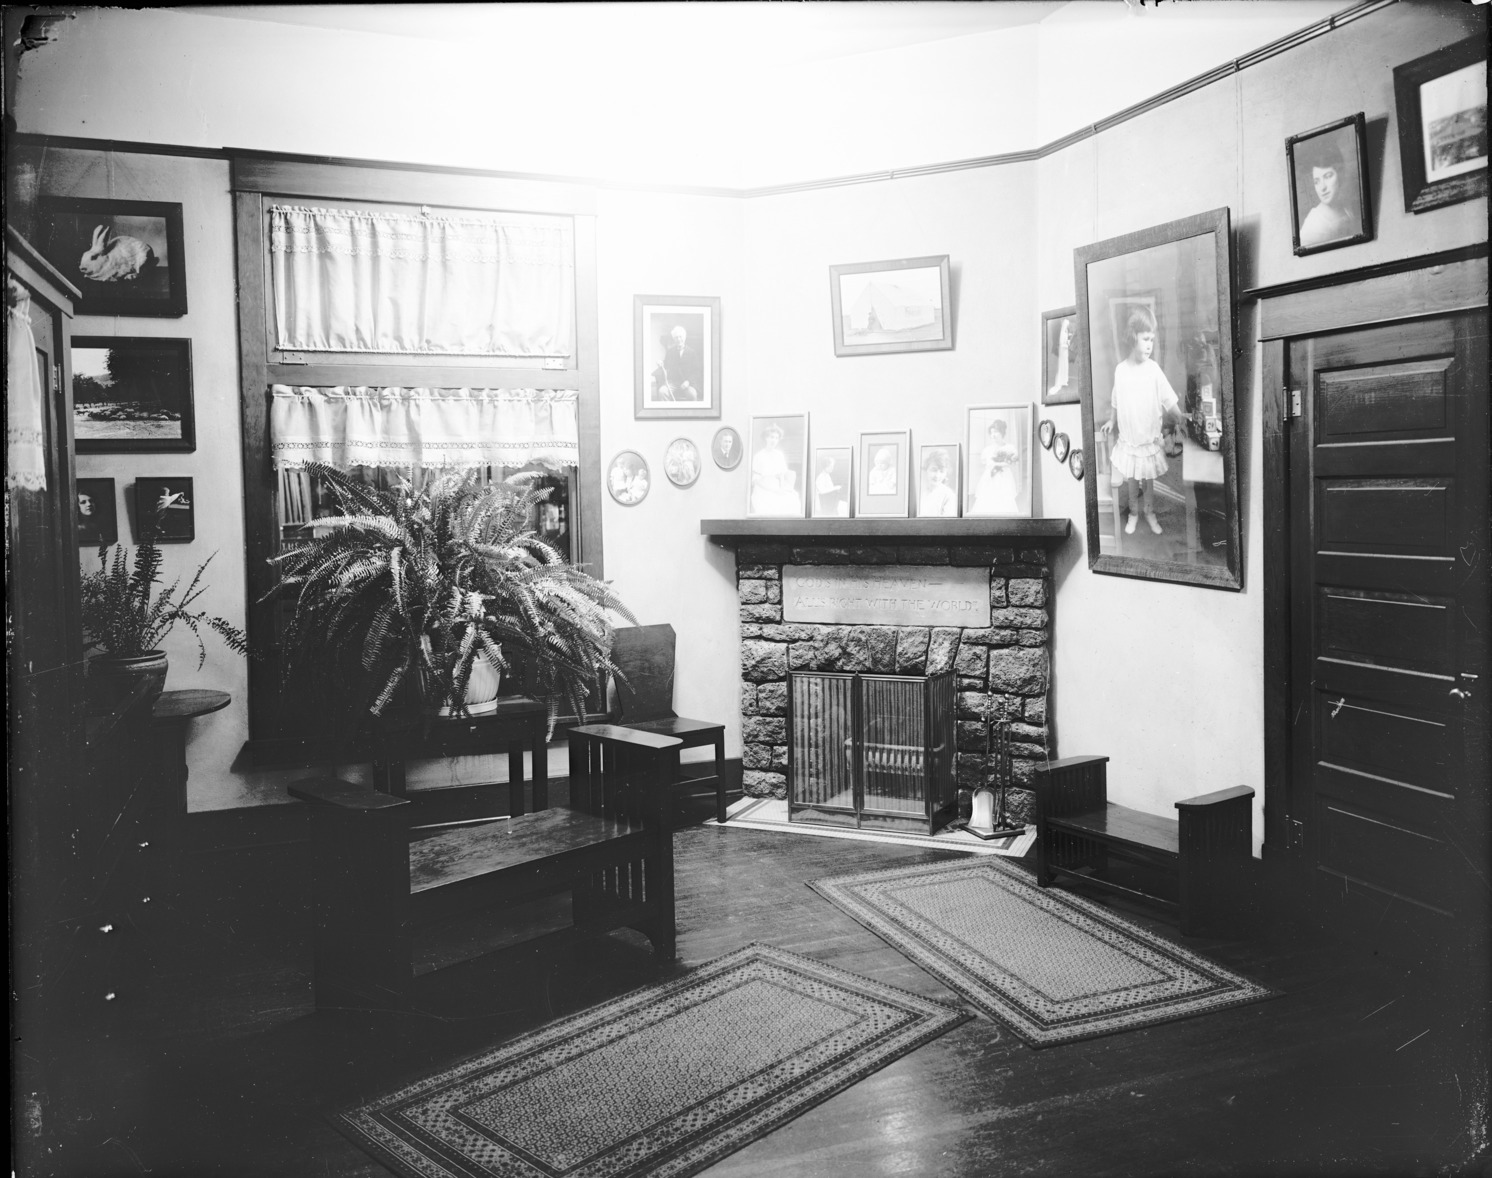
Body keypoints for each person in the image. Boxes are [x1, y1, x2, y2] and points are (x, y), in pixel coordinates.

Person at [1101, 305, 1185, 536]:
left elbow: (1168, 398)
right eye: (1145, 339)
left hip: (1148, 438)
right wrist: (1111, 421)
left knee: (1148, 480)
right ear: (1132, 337)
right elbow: (1116, 399)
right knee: (1132, 480)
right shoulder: (1121, 371)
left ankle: (1149, 512)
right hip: (1130, 439)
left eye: (1152, 340)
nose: (1150, 345)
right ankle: (1134, 513)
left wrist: (1181, 417)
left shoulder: (1153, 370)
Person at [1298, 138, 1358, 248]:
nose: (1322, 187)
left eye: (1328, 176)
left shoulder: (1346, 207)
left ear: (1340, 173)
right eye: (1317, 181)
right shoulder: (1313, 224)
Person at [970, 418, 1019, 515]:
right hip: (990, 477)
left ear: (1002, 432)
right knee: (987, 499)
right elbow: (987, 463)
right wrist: (994, 465)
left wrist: (1000, 464)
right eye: (991, 433)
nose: (993, 435)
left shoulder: (1009, 448)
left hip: (1004, 477)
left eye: (996, 432)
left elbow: (1012, 463)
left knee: (1005, 500)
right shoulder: (987, 450)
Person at [750, 422, 800, 515]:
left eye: (776, 438)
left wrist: (782, 488)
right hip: (762, 488)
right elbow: (756, 481)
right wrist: (773, 490)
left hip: (776, 486)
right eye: (772, 437)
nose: (774, 440)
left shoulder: (779, 455)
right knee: (773, 504)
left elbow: (781, 475)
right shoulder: (759, 456)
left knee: (793, 498)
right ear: (766, 438)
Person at [652, 324, 703, 402]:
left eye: (680, 337)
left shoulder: (692, 352)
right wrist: (661, 363)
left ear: (684, 337)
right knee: (662, 392)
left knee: (692, 394)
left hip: (687, 383)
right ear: (674, 339)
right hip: (673, 382)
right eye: (676, 337)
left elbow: (696, 371)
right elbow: (666, 365)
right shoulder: (670, 351)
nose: (678, 339)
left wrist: (688, 381)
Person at [920, 449, 957, 517]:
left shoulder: (948, 496)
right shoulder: (919, 491)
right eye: (934, 470)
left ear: (946, 473)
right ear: (926, 469)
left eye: (942, 471)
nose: (937, 476)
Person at [1047, 317, 1074, 401]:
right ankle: (1059, 383)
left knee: (1064, 366)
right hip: (1062, 348)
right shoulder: (1061, 328)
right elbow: (1061, 340)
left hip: (1064, 348)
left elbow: (1067, 337)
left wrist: (1068, 342)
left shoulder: (1066, 327)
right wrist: (1065, 343)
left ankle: (1063, 381)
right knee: (1061, 366)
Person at [814, 453, 847, 517]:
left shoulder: (827, 476)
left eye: (833, 466)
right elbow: (822, 492)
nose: (832, 468)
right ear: (825, 466)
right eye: (831, 466)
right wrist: (835, 488)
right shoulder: (821, 477)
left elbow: (829, 489)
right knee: (844, 509)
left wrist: (836, 488)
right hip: (826, 504)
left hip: (831, 501)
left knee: (845, 506)